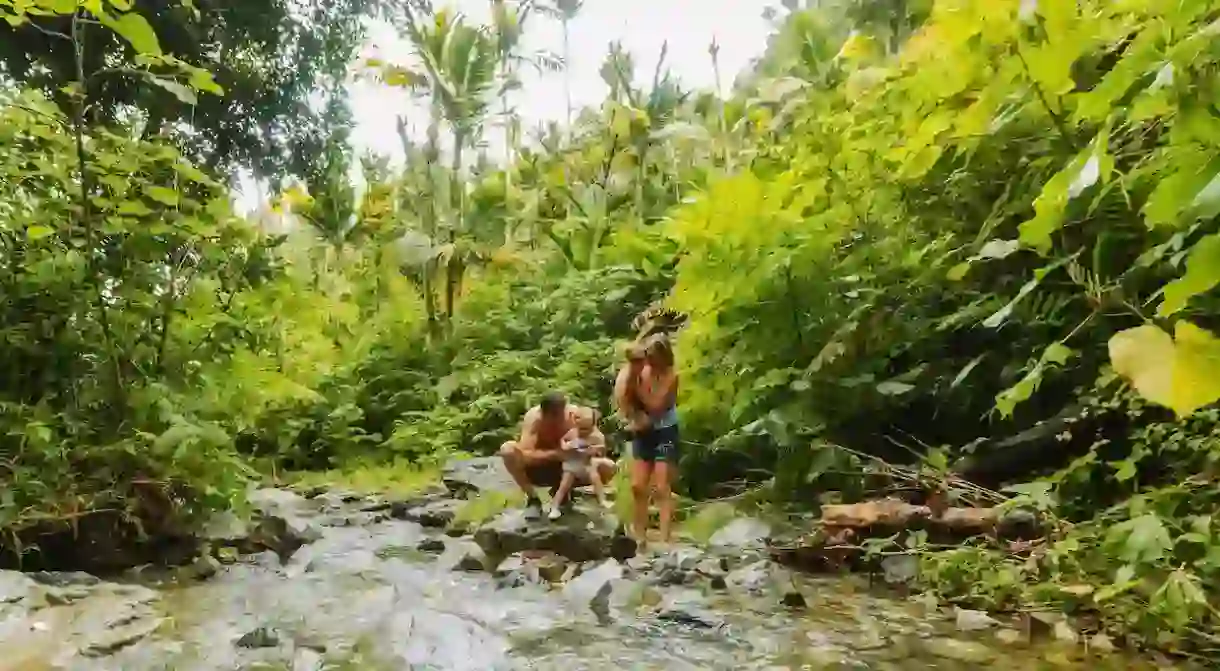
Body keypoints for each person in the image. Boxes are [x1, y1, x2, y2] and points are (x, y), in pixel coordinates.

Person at [499, 391, 616, 519]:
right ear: (544, 413)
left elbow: (598, 443)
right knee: (507, 450)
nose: (557, 420)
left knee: (608, 466)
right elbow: (525, 455)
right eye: (552, 416)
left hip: (571, 467)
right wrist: (557, 454)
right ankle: (533, 498)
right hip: (539, 468)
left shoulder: (576, 416)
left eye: (559, 415)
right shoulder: (534, 419)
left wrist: (585, 449)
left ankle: (563, 493)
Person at [630, 334, 680, 545]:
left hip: (665, 429)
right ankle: (640, 536)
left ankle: (664, 537)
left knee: (661, 486)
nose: (649, 360)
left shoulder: (672, 376)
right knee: (637, 486)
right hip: (643, 431)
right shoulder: (640, 371)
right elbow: (626, 395)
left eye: (653, 356)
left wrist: (637, 392)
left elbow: (657, 406)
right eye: (647, 355)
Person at [548, 407, 613, 519]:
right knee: (564, 485)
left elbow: (602, 450)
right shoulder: (573, 433)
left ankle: (602, 500)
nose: (583, 432)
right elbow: (563, 441)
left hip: (587, 463)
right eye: (581, 429)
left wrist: (594, 449)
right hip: (572, 463)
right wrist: (567, 446)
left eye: (587, 429)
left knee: (595, 477)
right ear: (575, 424)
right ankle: (554, 507)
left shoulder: (597, 436)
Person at [613, 342, 650, 433]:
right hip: (633, 418)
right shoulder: (628, 378)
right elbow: (626, 402)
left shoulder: (633, 374)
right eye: (641, 360)